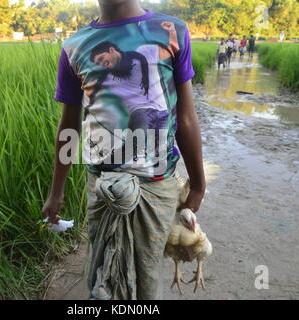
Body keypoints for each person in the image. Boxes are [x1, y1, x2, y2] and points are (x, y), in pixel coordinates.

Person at [42, 0, 206, 300]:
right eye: (101, 61)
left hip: (155, 186)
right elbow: (69, 126)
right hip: (103, 187)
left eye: (108, 58)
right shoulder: (74, 47)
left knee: (146, 275)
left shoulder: (170, 32)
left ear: (117, 53)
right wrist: (56, 191)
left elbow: (185, 117)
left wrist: (198, 182)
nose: (105, 62)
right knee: (102, 269)